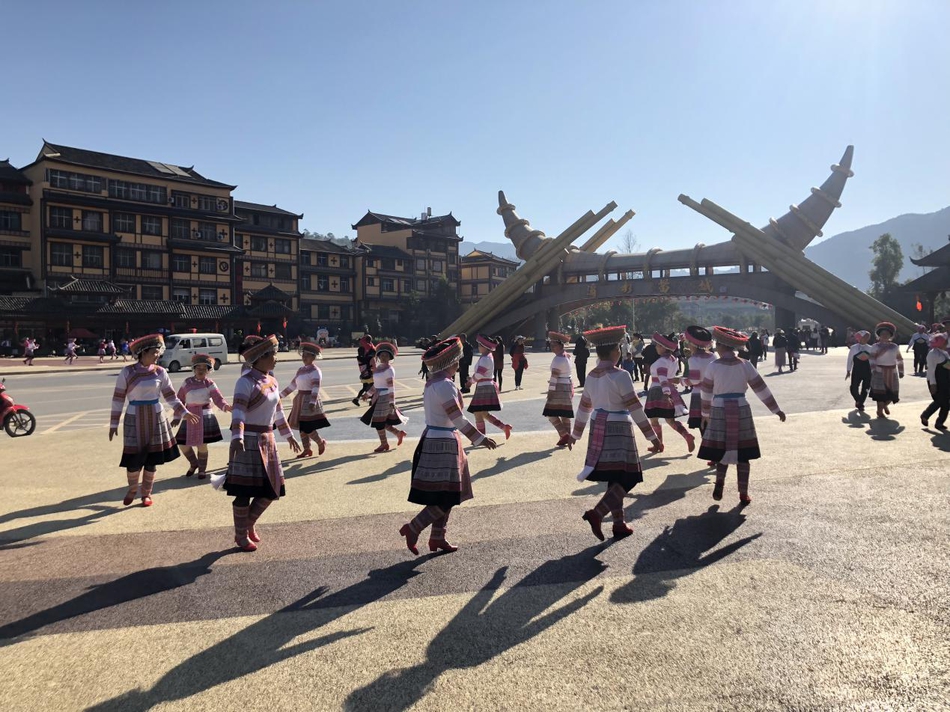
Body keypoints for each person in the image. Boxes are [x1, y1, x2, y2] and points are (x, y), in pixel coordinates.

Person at [400, 337, 498, 555]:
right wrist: (480, 438)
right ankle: (414, 528)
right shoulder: (445, 385)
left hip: (435, 438)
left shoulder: (434, 383)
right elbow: (458, 419)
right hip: (444, 442)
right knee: (448, 495)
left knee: (445, 494)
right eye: (456, 362)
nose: (458, 365)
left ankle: (437, 537)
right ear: (448, 364)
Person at [570, 324, 661, 541]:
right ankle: (598, 513)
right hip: (619, 427)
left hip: (598, 425)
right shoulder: (621, 376)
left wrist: (575, 434)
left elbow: (584, 407)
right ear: (614, 352)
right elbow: (635, 408)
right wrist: (652, 437)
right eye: (619, 349)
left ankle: (619, 523)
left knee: (615, 477)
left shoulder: (591, 375)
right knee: (628, 476)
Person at [222, 335, 301, 552]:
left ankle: (248, 524)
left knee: (272, 489)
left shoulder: (272, 381)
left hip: (268, 439)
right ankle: (241, 535)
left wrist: (288, 435)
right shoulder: (245, 382)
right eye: (273, 355)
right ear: (259, 357)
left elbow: (278, 412)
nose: (276, 359)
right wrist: (237, 437)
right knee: (244, 491)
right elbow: (238, 411)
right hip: (248, 440)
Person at [697, 326, 786, 505]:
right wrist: (776, 410)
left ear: (722, 346)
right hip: (741, 408)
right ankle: (743, 493)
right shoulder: (745, 365)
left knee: (721, 450)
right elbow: (761, 389)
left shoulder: (713, 366)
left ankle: (720, 482)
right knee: (743, 453)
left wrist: (705, 414)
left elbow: (705, 393)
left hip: (720, 408)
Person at [109, 334, 199, 507]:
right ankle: (132, 489)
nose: (157, 355)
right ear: (143, 353)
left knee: (152, 459)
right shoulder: (128, 372)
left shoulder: (160, 372)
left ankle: (146, 494)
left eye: (158, 352)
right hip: (134, 416)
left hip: (156, 416)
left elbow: (170, 396)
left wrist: (183, 412)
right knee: (134, 459)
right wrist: (113, 424)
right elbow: (118, 398)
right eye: (154, 352)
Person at [174, 353, 231, 479]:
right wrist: (177, 417)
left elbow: (218, 399)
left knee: (202, 445)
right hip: (189, 416)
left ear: (208, 370)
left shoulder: (209, 383)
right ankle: (194, 464)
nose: (201, 371)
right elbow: (179, 400)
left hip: (205, 416)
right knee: (182, 444)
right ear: (193, 369)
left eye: (204, 368)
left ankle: (202, 470)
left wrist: (227, 407)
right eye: (198, 368)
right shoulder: (187, 382)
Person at [644, 332, 694, 453]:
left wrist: (665, 393)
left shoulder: (661, 362)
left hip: (658, 390)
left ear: (662, 347)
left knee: (654, 419)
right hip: (671, 389)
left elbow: (662, 378)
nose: (656, 347)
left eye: (657, 345)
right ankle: (687, 435)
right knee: (670, 419)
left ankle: (658, 444)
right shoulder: (673, 359)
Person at [280, 341, 330, 459]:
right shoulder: (301, 370)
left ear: (313, 357)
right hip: (300, 399)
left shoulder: (315, 371)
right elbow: (293, 385)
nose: (304, 358)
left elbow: (315, 387)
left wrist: (312, 402)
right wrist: (279, 396)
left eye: (307, 355)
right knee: (302, 426)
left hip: (309, 399)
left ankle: (320, 442)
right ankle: (307, 449)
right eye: (303, 355)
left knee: (307, 426)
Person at [359, 341, 408, 453]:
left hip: (385, 398)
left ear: (390, 357)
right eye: (381, 355)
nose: (383, 357)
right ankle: (398, 433)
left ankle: (384, 444)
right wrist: (367, 394)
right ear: (379, 356)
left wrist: (392, 401)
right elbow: (376, 386)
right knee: (382, 422)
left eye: (386, 355)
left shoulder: (389, 370)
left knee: (378, 422)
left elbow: (391, 387)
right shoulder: (379, 368)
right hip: (378, 397)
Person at [682, 326, 717, 466]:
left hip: (699, 395)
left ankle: (712, 454)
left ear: (692, 344)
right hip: (713, 393)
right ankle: (716, 453)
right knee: (713, 423)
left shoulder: (693, 360)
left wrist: (682, 381)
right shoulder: (713, 356)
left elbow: (694, 380)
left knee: (703, 425)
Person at [467, 334, 512, 439]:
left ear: (484, 346)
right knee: (483, 413)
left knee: (478, 413)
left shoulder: (485, 359)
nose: (478, 347)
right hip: (486, 385)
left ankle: (481, 437)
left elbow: (479, 374)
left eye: (479, 345)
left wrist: (470, 381)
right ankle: (504, 427)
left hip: (484, 387)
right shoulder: (487, 357)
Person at [542, 331, 575, 447]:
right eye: (551, 345)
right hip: (567, 385)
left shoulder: (557, 359)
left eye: (554, 345)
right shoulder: (567, 356)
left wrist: (550, 391)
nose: (552, 348)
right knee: (565, 413)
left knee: (550, 413)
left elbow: (554, 377)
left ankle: (563, 434)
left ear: (560, 345)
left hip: (559, 388)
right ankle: (568, 436)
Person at [869, 322, 904, 419]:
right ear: (879, 335)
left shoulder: (894, 347)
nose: (885, 336)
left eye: (887, 334)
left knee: (892, 394)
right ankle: (880, 411)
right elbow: (872, 359)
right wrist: (873, 369)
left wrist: (901, 371)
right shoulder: (875, 347)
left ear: (891, 335)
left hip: (892, 372)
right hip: (879, 371)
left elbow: (899, 359)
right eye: (882, 334)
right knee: (879, 394)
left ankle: (885, 405)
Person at [921, 332, 949, 431]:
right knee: (939, 401)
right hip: (936, 380)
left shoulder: (944, 353)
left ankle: (940, 422)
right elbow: (931, 370)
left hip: (946, 381)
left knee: (946, 403)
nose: (946, 343)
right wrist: (933, 384)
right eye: (944, 341)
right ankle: (925, 415)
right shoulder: (932, 354)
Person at [845, 330, 873, 412]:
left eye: (868, 337)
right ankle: (859, 400)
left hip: (868, 370)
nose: (867, 338)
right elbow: (849, 359)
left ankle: (860, 403)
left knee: (866, 388)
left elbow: (873, 360)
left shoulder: (871, 348)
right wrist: (848, 370)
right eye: (865, 337)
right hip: (857, 370)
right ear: (859, 338)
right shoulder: (854, 348)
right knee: (853, 388)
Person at [352, 335, 376, 406]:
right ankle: (371, 401)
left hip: (363, 369)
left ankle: (357, 399)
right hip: (369, 370)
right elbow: (371, 359)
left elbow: (361, 358)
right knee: (373, 387)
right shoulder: (371, 348)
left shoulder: (362, 348)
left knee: (365, 387)